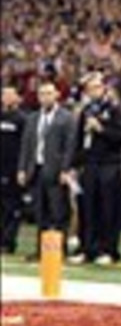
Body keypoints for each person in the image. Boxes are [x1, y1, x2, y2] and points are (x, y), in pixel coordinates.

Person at [71, 72, 121, 265]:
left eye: (96, 87)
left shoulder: (115, 109)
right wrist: (74, 164)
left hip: (109, 164)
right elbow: (79, 140)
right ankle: (88, 248)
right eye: (89, 89)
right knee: (87, 207)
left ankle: (109, 249)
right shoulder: (86, 110)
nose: (92, 91)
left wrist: (102, 128)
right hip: (89, 163)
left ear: (104, 88)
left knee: (108, 208)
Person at [17, 81, 77, 258]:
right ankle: (41, 250)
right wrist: (22, 168)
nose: (45, 97)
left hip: (56, 170)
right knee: (40, 212)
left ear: (57, 95)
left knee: (58, 212)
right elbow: (26, 145)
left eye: (49, 93)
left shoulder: (66, 118)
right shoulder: (33, 118)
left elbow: (69, 147)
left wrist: (66, 169)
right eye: (42, 94)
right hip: (36, 169)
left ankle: (59, 249)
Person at [1, 84, 27, 254]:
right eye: (4, 94)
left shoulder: (22, 119)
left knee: (12, 206)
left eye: (11, 94)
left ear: (17, 98)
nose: (7, 97)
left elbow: (25, 146)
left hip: (12, 170)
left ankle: (8, 241)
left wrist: (21, 169)